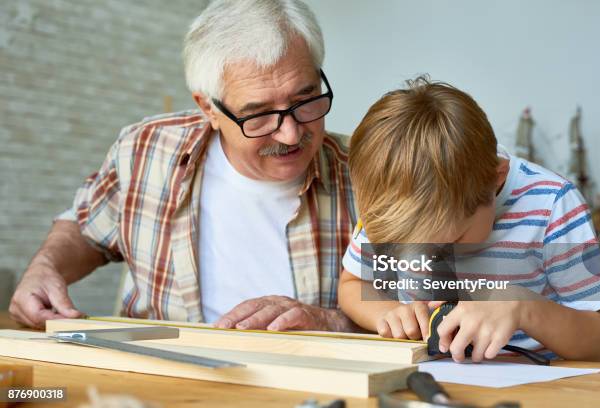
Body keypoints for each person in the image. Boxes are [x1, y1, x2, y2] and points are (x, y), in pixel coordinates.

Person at [10, 0, 358, 331]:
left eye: (305, 100)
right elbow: (87, 229)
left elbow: (407, 307)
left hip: (312, 383)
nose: (290, 133)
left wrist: (330, 323)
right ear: (209, 109)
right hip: (164, 379)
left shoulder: (370, 174)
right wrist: (45, 267)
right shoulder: (146, 149)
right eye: (260, 115)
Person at [339, 77, 600, 362]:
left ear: (496, 179)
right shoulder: (392, 203)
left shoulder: (553, 205)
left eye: (452, 240)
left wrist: (524, 308)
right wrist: (386, 312)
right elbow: (354, 285)